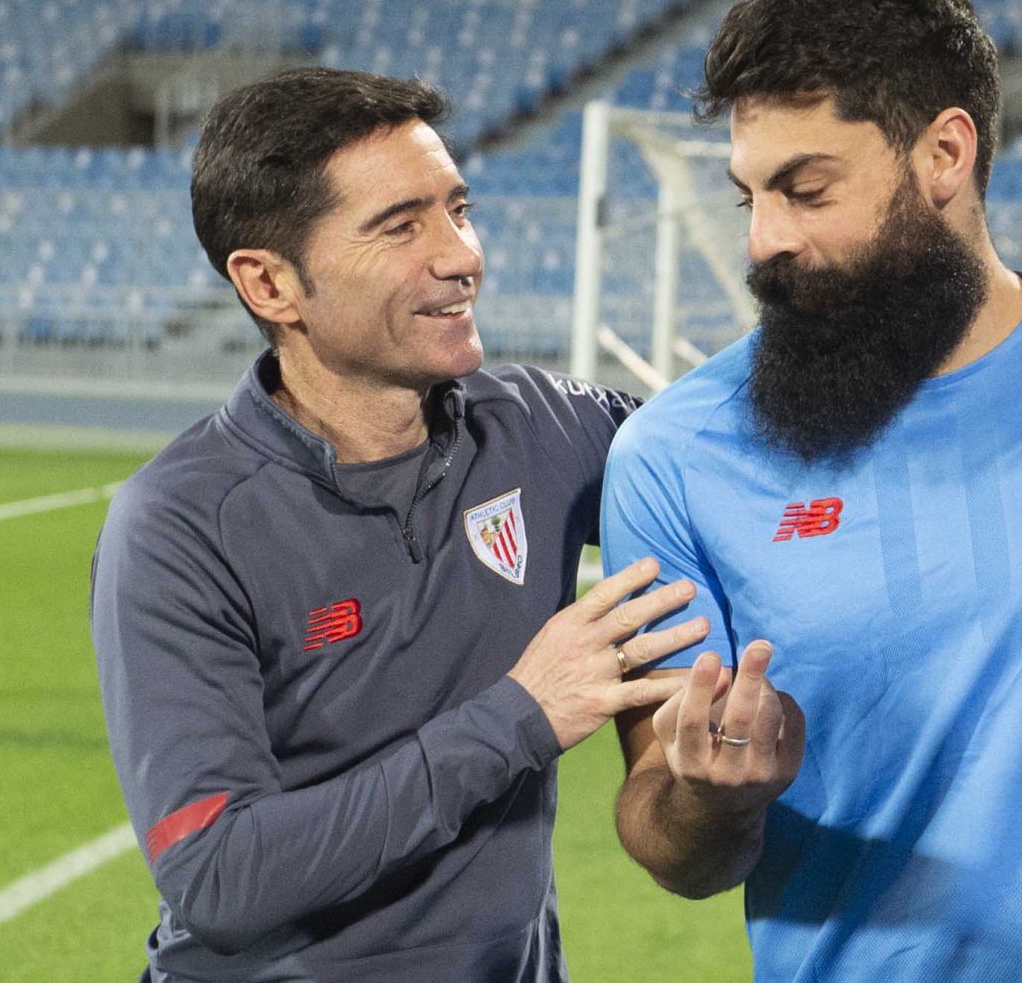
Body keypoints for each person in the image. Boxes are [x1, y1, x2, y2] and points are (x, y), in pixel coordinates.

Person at [599, 0, 1022, 983]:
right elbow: (667, 839)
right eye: (748, 196)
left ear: (945, 154)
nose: (764, 240)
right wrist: (709, 799)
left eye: (807, 190)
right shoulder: (674, 457)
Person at [89, 67, 714, 982]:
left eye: (458, 210)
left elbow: (732, 462)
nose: (461, 256)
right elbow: (218, 877)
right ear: (270, 284)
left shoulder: (543, 428)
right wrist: (520, 716)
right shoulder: (181, 524)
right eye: (400, 227)